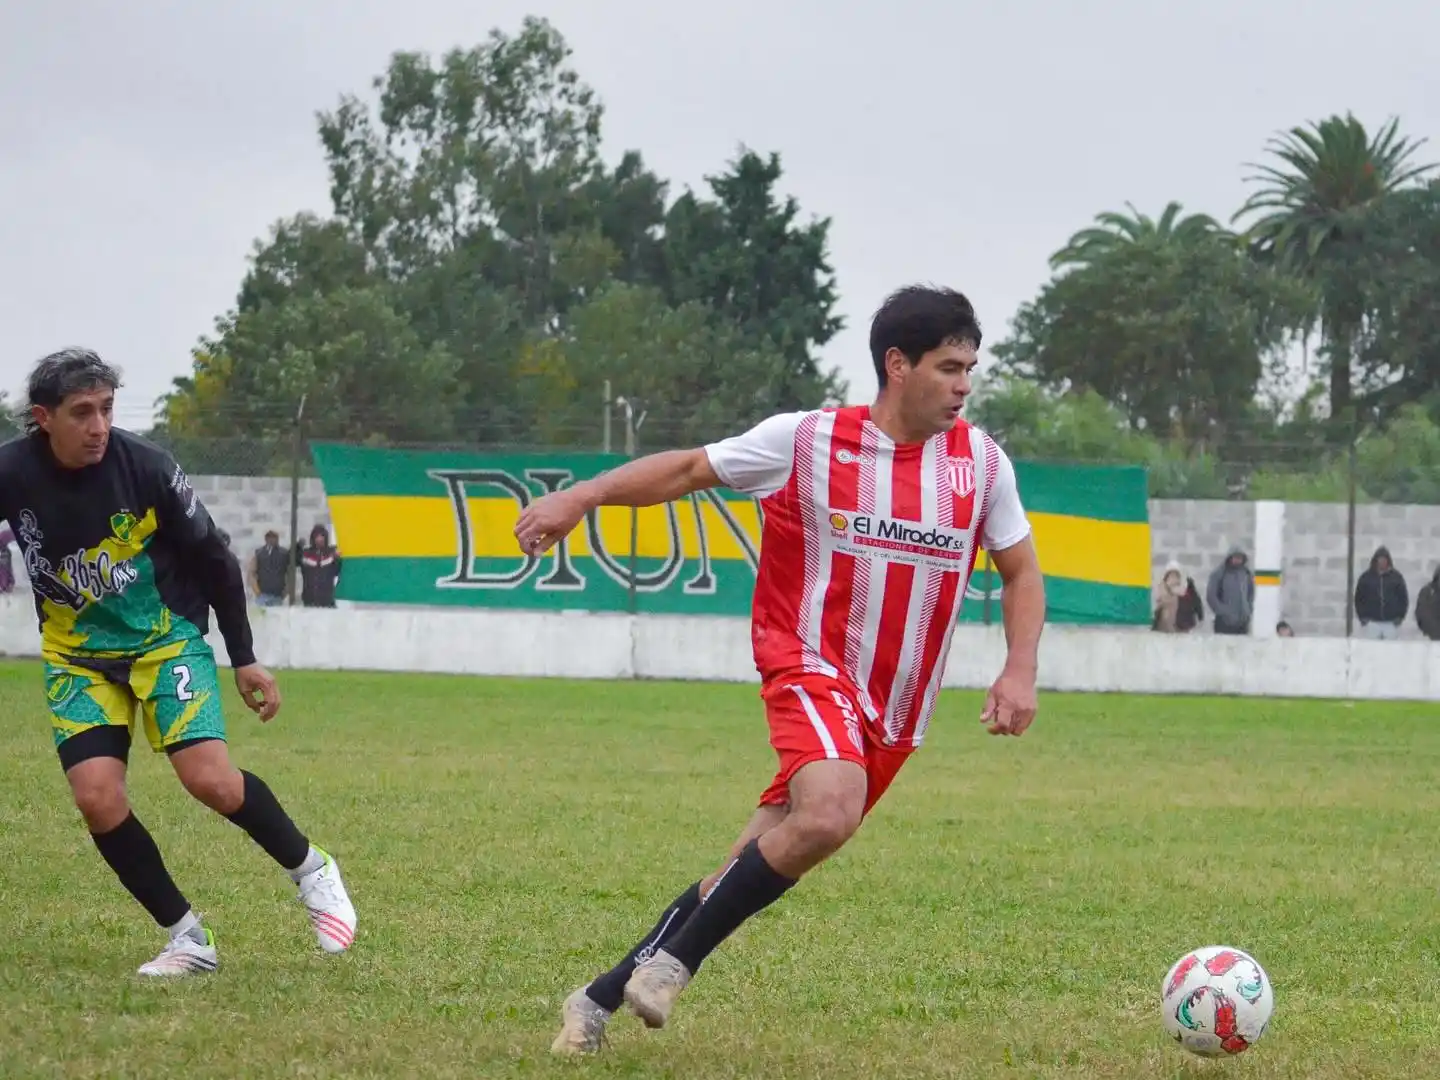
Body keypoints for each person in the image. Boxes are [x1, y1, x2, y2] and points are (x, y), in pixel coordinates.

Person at [515, 286, 1046, 1054]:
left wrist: (1019, 668)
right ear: (898, 365)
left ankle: (596, 999)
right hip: (808, 664)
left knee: (752, 862)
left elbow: (1021, 571)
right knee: (828, 813)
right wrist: (586, 496)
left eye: (970, 369)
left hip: (894, 712)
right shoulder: (804, 441)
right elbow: (687, 470)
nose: (964, 386)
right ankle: (674, 965)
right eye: (948, 367)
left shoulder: (983, 465)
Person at [0, 348, 357, 976]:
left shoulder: (147, 467)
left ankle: (312, 869)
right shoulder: (11, 471)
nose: (98, 426)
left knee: (210, 781)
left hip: (165, 640)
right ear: (43, 417)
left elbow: (216, 559)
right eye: (81, 413)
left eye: (106, 409)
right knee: (97, 798)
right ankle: (189, 939)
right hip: (77, 656)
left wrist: (244, 658)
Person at [1353, 545, 1408, 640]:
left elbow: (1403, 598)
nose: (1382, 562)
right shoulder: (1366, 578)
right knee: (1372, 647)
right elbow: (1359, 598)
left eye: (1384, 560)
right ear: (1375, 560)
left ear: (1388, 561)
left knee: (1390, 647)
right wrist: (1363, 617)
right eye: (1380, 559)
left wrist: (1400, 617)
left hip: (1391, 623)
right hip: (1372, 623)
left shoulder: (1396, 577)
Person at [1206, 547, 1254, 636]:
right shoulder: (1219, 573)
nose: (1238, 560)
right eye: (1235, 557)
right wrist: (1223, 612)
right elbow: (1211, 596)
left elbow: (1250, 594)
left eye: (1240, 557)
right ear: (1230, 558)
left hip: (1242, 623)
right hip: (1224, 623)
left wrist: (1248, 610)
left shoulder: (1246, 574)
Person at [1152, 561, 1203, 633]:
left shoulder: (1186, 592)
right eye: (1171, 576)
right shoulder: (1162, 591)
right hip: (1164, 629)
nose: (1174, 579)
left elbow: (1196, 602)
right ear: (1166, 578)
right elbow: (1157, 606)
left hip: (1181, 627)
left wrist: (1200, 616)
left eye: (1176, 576)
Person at [249, 529, 290, 606]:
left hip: (278, 595)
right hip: (262, 595)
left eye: (274, 537)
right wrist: (257, 591)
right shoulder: (259, 553)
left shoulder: (284, 553)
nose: (271, 540)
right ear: (266, 539)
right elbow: (252, 573)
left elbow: (290, 573)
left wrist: (286, 591)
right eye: (269, 537)